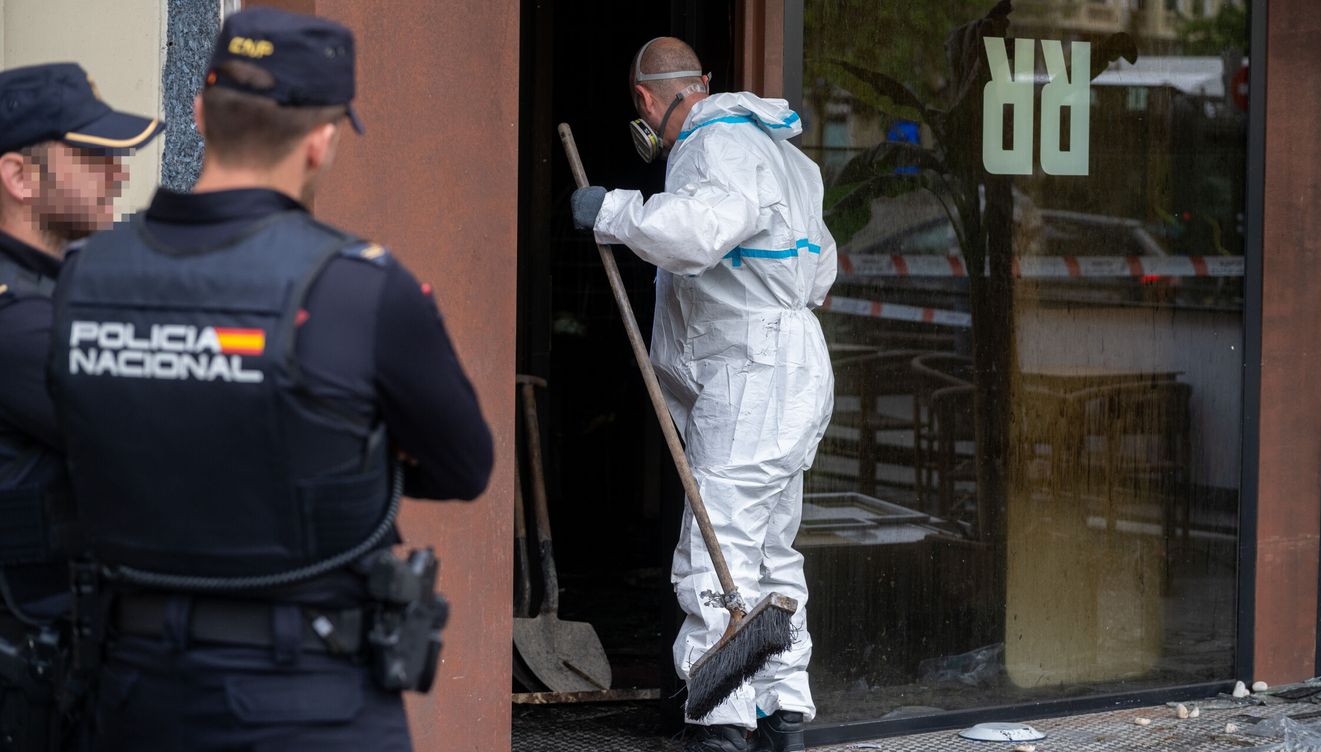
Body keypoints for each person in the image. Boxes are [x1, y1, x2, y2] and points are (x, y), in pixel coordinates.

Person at [46, 8, 493, 751]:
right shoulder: (359, 287)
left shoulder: (84, 276)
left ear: (199, 114)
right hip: (305, 700)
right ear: (321, 141)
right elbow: (463, 467)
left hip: (128, 691)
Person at [571, 36, 835, 752]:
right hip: (793, 364)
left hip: (752, 374)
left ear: (645, 101)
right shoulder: (784, 154)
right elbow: (821, 271)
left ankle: (720, 723)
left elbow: (696, 232)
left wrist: (612, 211)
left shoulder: (711, 143)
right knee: (770, 549)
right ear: (705, 80)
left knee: (715, 549)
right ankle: (782, 713)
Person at [0, 62, 163, 751]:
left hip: (65, 656)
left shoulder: (58, 289)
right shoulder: (13, 320)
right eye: (94, 158)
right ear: (19, 176)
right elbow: (158, 433)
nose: (118, 175)